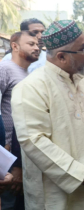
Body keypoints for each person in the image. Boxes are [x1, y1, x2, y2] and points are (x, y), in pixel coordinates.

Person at [11, 20, 84, 210]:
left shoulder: (82, 82)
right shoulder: (31, 88)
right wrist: (75, 172)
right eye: (82, 48)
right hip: (59, 187)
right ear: (61, 57)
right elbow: (33, 140)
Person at [0, 31, 40, 210]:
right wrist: (6, 150)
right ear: (14, 46)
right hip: (6, 153)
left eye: (37, 44)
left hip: (21, 151)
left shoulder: (29, 74)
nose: (37, 47)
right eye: (31, 44)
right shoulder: (5, 69)